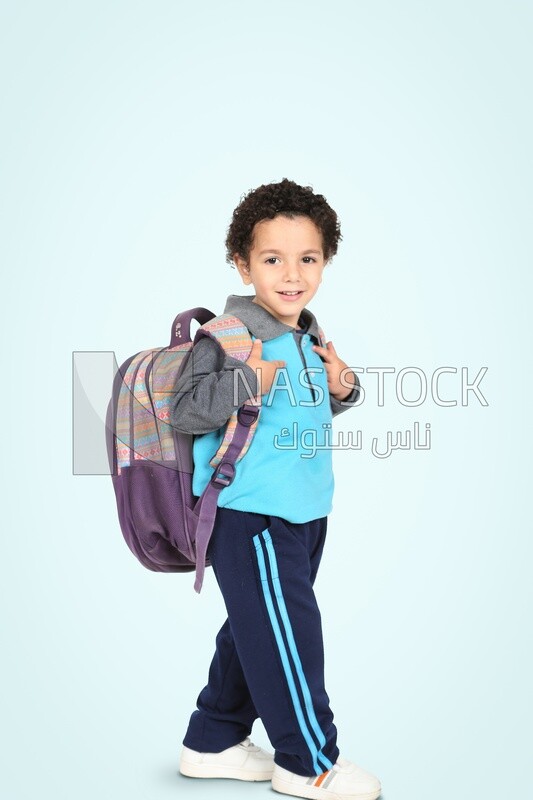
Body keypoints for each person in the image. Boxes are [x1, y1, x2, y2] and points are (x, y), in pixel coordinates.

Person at [170, 178, 381, 800]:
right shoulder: (230, 335)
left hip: (305, 512)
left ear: (324, 262)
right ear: (242, 263)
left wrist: (341, 388)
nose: (292, 274)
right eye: (272, 259)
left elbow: (292, 417)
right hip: (250, 514)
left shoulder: (307, 333)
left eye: (307, 258)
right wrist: (245, 380)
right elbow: (185, 412)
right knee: (289, 632)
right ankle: (307, 759)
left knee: (258, 626)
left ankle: (212, 739)